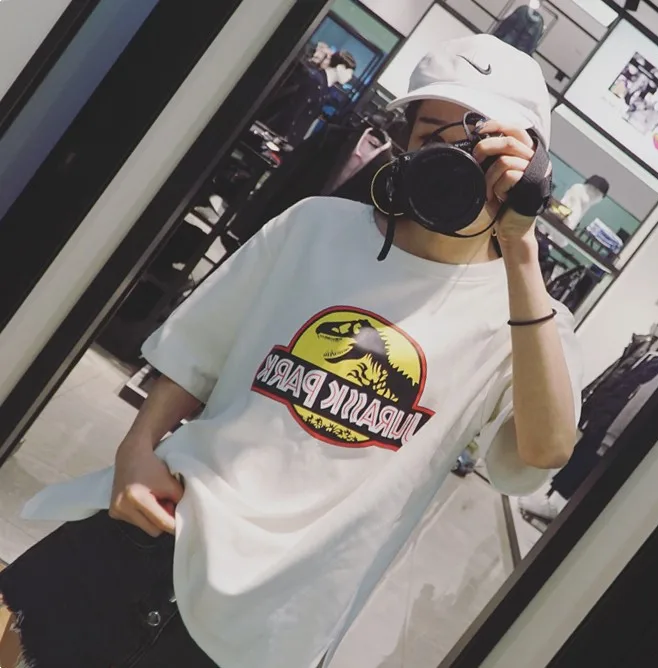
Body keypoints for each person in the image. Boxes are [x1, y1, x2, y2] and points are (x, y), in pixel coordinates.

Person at [0, 35, 581, 668]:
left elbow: (543, 452)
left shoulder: (527, 318)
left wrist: (521, 248)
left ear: (531, 165)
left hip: (272, 620)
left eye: (481, 141)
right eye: (430, 135)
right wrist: (135, 451)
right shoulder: (316, 226)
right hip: (163, 520)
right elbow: (197, 355)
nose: (451, 156)